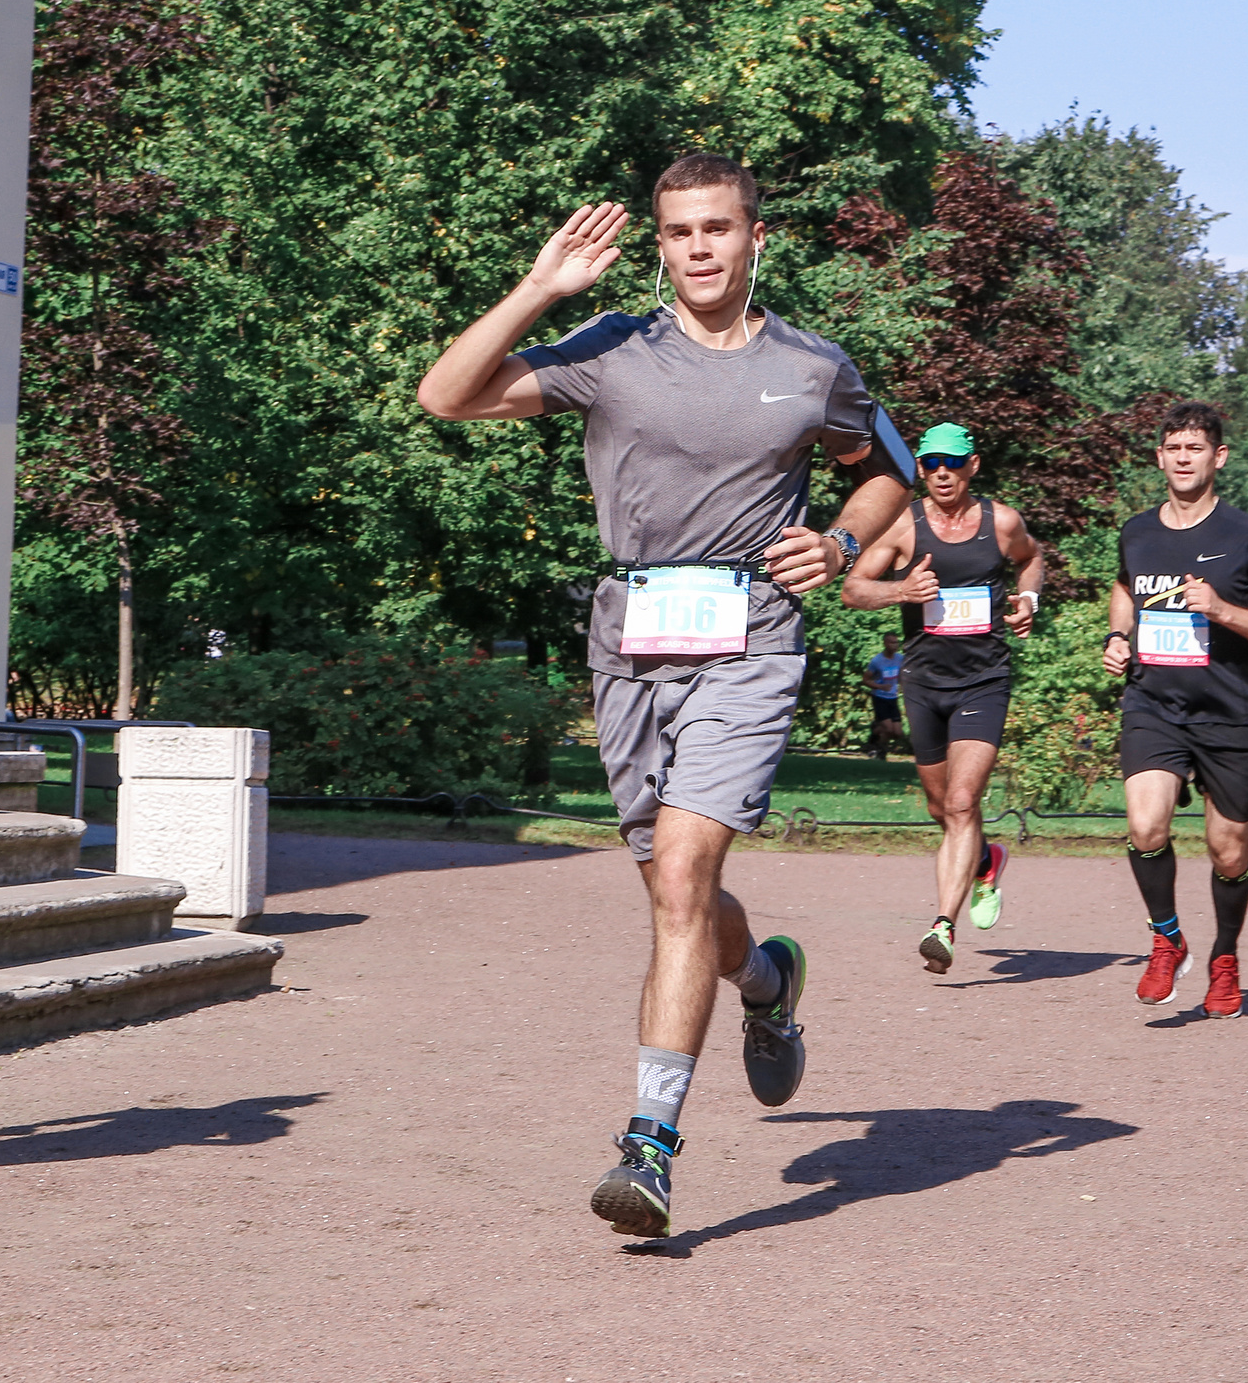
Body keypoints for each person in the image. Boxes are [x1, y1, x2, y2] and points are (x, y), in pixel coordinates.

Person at [416, 152, 908, 1241]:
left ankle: (649, 1144)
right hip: (630, 639)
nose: (699, 248)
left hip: (750, 636)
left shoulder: (812, 365)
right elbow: (443, 396)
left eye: (718, 229)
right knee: (675, 897)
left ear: (755, 239)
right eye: (679, 232)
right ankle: (767, 982)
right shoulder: (613, 351)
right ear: (659, 245)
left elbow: (886, 471)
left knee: (686, 870)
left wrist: (835, 540)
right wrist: (541, 289)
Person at [1102, 400, 1248, 1019]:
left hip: (1229, 713)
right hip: (1154, 703)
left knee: (1229, 851)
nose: (1183, 458)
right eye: (1173, 448)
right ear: (1160, 457)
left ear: (1219, 457)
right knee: (1145, 826)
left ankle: (1225, 957)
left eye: (1195, 448)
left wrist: (1220, 610)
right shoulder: (1137, 532)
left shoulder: (1247, 536)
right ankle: (1166, 937)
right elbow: (1122, 588)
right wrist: (1116, 636)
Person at [842, 421, 1041, 973]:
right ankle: (985, 861)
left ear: (972, 465)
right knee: (941, 808)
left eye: (951, 463)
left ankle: (943, 927)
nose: (941, 473)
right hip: (924, 686)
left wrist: (1029, 599)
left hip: (985, 682)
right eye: (930, 464)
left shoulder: (1001, 523)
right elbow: (853, 588)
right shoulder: (904, 526)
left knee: (960, 803)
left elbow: (1032, 558)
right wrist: (900, 590)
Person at [862, 631, 906, 759]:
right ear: (885, 643)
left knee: (897, 733)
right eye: (892, 642)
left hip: (893, 698)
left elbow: (902, 674)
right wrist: (880, 686)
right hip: (880, 697)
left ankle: (875, 735)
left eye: (896, 642)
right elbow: (865, 680)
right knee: (888, 729)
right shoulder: (877, 661)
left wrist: (902, 685)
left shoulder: (900, 658)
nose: (895, 645)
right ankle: (880, 750)